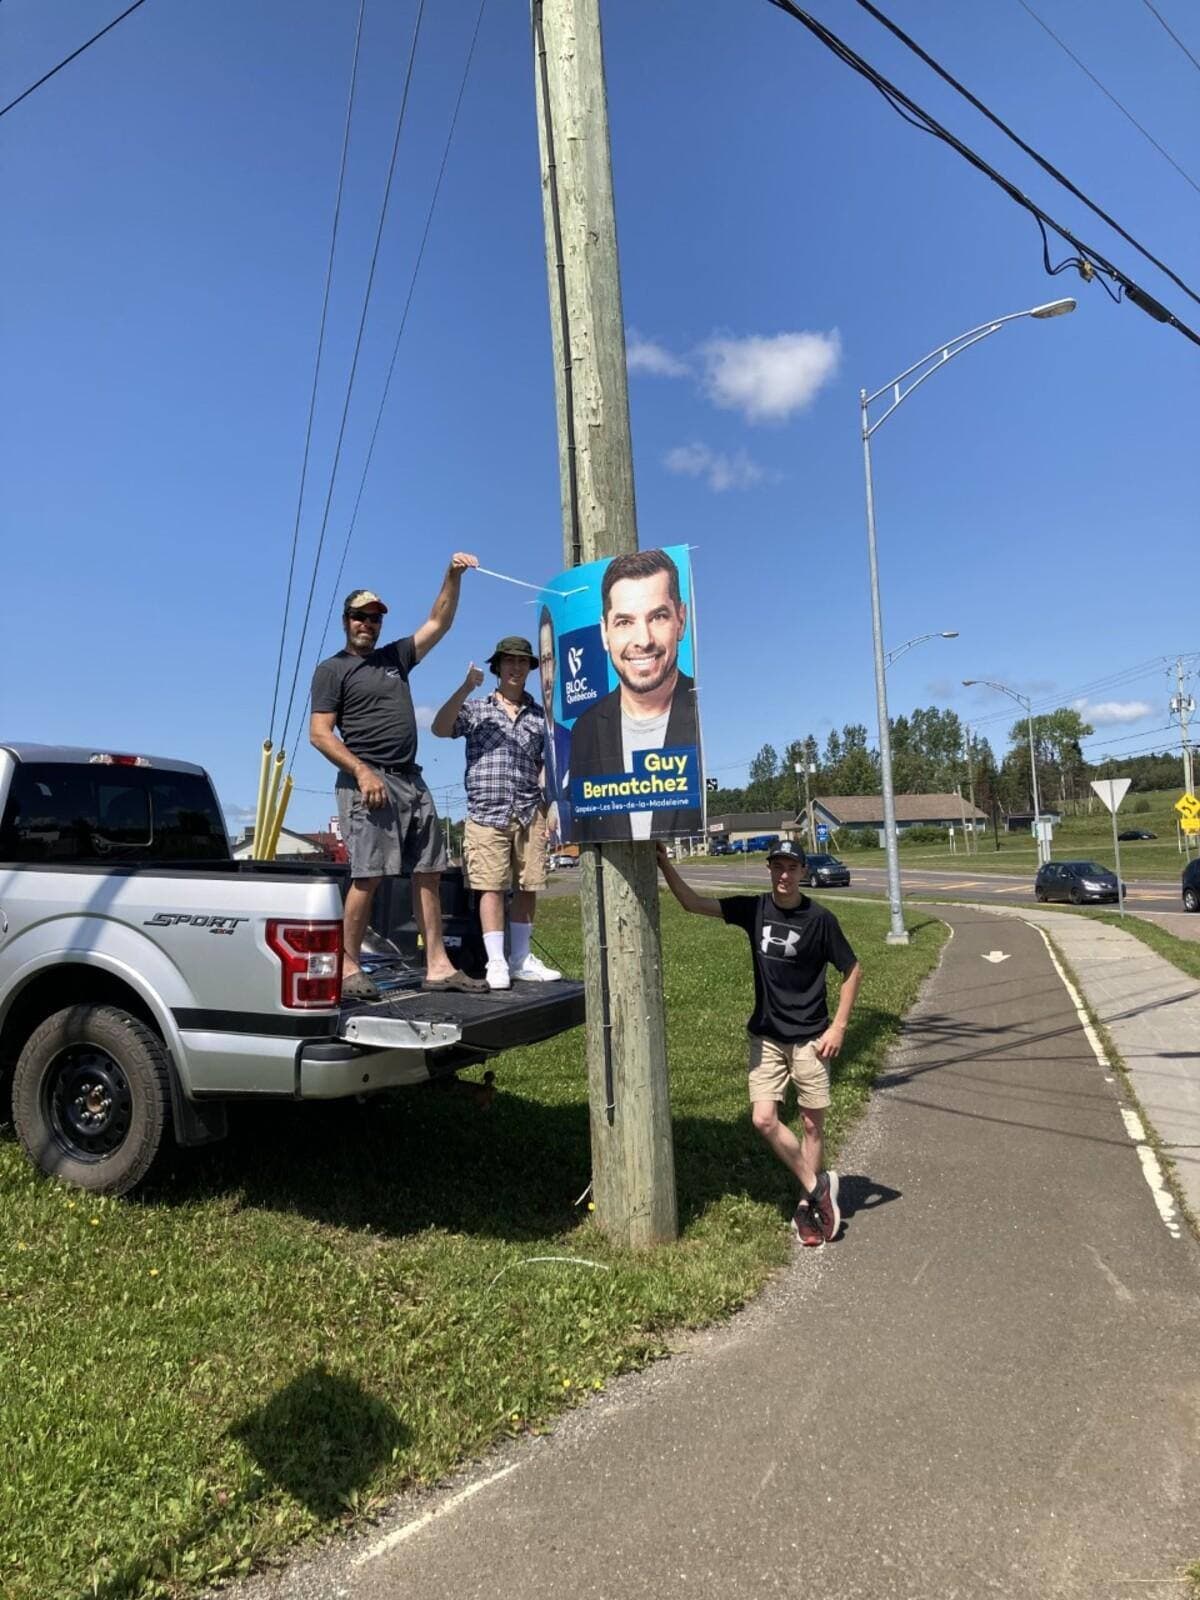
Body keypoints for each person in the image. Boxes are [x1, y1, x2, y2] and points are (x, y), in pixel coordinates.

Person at [656, 838, 862, 1248]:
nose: (783, 875)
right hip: (767, 1036)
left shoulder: (820, 920)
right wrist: (664, 865)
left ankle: (807, 1207)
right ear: (769, 870)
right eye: (777, 867)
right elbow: (693, 904)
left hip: (811, 1038)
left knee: (810, 1123)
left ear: (802, 872)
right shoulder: (755, 910)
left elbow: (852, 969)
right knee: (763, 1119)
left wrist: (838, 1027)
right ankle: (820, 1188)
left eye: (791, 868)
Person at [309, 557, 487, 1000]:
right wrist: (361, 770)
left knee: (429, 870)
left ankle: (438, 966)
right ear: (346, 621)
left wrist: (451, 575)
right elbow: (319, 733)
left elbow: (439, 622)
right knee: (369, 875)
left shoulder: (396, 658)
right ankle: (348, 966)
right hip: (367, 783)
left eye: (374, 618)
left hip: (412, 779)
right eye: (360, 617)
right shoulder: (332, 670)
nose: (367, 624)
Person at [432, 636, 562, 990]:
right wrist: (463, 687)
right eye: (509, 661)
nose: (516, 668)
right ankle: (496, 962)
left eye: (523, 662)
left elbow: (543, 763)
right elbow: (440, 728)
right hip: (486, 812)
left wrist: (548, 806)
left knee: (528, 884)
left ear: (530, 669)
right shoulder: (477, 708)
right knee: (490, 886)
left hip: (528, 810)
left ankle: (520, 959)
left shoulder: (539, 714)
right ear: (497, 668)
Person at [569, 548, 701, 843]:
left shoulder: (703, 713)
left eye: (658, 617)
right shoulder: (585, 731)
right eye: (624, 622)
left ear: (681, 620)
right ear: (604, 632)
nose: (643, 640)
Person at [537, 605, 573, 845]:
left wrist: (558, 808)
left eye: (550, 660)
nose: (547, 674)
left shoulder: (573, 738)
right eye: (542, 662)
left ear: (558, 666)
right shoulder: (534, 735)